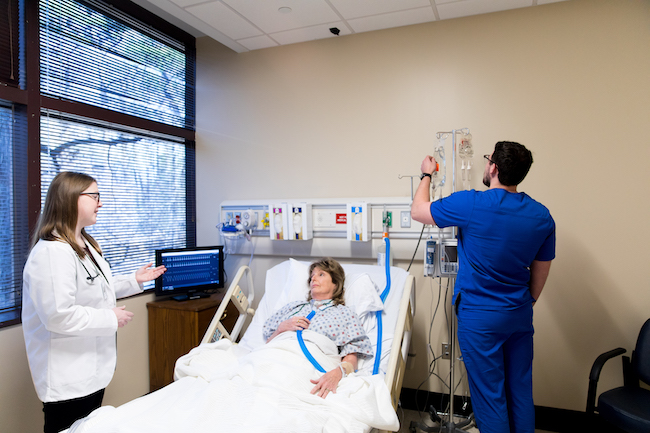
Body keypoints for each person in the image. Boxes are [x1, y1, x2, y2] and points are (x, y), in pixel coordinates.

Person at [411, 141, 555, 433]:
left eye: (488, 159)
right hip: (518, 314)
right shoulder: (541, 216)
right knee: (519, 391)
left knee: (490, 397)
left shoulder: (471, 203)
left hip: (480, 318)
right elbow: (540, 272)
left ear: (494, 168)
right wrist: (526, 303)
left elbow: (418, 211)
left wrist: (426, 174)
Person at [22, 171, 167, 433]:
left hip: (90, 372)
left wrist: (134, 279)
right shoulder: (52, 252)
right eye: (95, 196)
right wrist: (111, 318)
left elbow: (96, 287)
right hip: (68, 377)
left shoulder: (83, 243)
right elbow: (58, 316)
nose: (100, 203)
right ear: (71, 199)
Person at [263, 258, 373, 398]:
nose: (313, 278)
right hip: (275, 358)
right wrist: (281, 329)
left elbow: (351, 357)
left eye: (321, 274)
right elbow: (268, 346)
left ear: (335, 283)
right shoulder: (294, 307)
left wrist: (337, 373)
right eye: (312, 276)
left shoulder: (345, 313)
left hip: (309, 366)